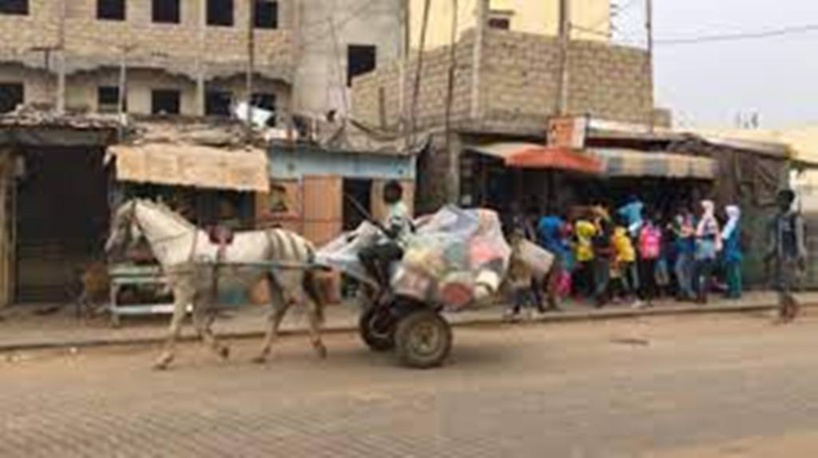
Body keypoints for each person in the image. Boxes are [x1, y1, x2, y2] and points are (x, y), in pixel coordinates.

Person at [358, 181, 413, 300]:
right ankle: (378, 283)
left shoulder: (399, 210)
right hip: (390, 243)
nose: (384, 195)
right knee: (364, 253)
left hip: (399, 245)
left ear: (397, 193)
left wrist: (378, 224)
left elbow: (393, 234)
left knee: (383, 255)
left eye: (388, 192)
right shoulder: (392, 209)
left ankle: (386, 286)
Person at [766, 189, 807, 323]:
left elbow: (800, 239)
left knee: (784, 284)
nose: (780, 203)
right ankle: (784, 310)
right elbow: (774, 239)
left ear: (789, 202)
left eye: (783, 200)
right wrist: (770, 253)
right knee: (779, 285)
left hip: (791, 255)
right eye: (779, 200)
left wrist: (801, 257)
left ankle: (790, 308)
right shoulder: (776, 218)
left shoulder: (796, 218)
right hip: (780, 255)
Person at [694, 200, 721, 304]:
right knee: (703, 273)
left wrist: (698, 236)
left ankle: (702, 295)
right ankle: (702, 295)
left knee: (703, 273)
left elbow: (710, 234)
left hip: (705, 248)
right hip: (706, 247)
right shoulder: (708, 219)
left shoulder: (709, 220)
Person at [637, 214, 663, 307]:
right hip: (654, 254)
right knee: (651, 276)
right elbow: (659, 241)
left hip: (645, 255)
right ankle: (650, 298)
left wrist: (640, 251)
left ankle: (645, 297)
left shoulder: (643, 230)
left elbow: (640, 242)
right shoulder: (657, 230)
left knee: (645, 276)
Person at [671, 210, 696, 301]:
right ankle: (688, 291)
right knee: (686, 271)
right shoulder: (684, 226)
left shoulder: (689, 226)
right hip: (684, 251)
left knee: (680, 269)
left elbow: (684, 234)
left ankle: (685, 289)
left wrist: (675, 229)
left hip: (687, 251)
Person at [611, 222, 638, 304]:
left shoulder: (614, 234)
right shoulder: (626, 230)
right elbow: (633, 240)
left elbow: (614, 248)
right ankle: (631, 295)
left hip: (622, 257)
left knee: (622, 277)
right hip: (631, 256)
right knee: (632, 277)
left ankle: (624, 295)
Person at [721, 205, 743, 300]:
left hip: (731, 251)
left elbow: (724, 236)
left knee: (733, 273)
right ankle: (732, 290)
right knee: (732, 272)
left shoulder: (731, 224)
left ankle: (735, 291)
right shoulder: (735, 224)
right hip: (732, 250)